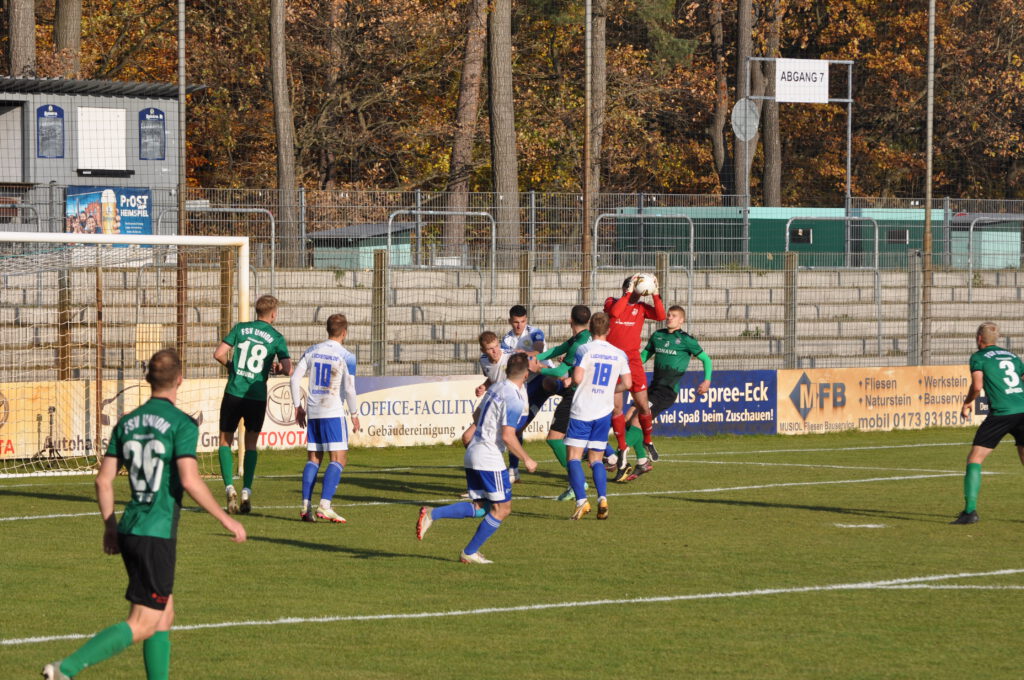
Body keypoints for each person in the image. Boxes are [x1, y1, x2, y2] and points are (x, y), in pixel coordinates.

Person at [42, 349, 246, 680]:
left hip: (131, 527)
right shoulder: (181, 424)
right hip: (156, 532)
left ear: (148, 379)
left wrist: (110, 527)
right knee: (143, 621)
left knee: (164, 613)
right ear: (180, 379)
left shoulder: (127, 422)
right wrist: (226, 518)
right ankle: (65, 669)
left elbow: (103, 480)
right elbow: (190, 479)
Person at [416, 353, 538, 563]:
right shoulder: (514, 397)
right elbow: (509, 436)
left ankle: (431, 514)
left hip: (474, 451)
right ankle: (469, 552)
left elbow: (476, 416)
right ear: (526, 375)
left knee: (481, 508)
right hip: (489, 456)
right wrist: (526, 458)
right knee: (502, 509)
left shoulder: (496, 388)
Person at [213, 294, 291, 514]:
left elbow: (218, 354)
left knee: (225, 441)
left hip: (234, 392)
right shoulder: (276, 337)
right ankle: (246, 489)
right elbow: (287, 368)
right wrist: (276, 368)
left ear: (257, 311)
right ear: (273, 314)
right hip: (256, 395)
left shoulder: (240, 328)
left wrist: (231, 366)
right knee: (250, 445)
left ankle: (229, 486)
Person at [620, 305, 712, 481]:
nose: (669, 318)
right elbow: (644, 355)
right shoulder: (658, 336)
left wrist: (707, 381)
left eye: (674, 316)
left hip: (667, 391)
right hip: (652, 387)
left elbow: (706, 359)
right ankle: (642, 460)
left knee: (637, 419)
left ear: (681, 320)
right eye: (668, 315)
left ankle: (621, 451)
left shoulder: (686, 340)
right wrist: (628, 367)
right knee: (628, 419)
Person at [290, 313, 361, 523]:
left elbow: (294, 379)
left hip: (313, 411)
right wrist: (355, 414)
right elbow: (349, 389)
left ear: (327, 330)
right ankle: (325, 505)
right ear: (345, 332)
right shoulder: (346, 356)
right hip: (333, 411)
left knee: (314, 459)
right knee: (339, 459)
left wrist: (298, 407)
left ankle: (305, 506)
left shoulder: (312, 350)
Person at [953, 322, 1024, 524]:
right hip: (1023, 410)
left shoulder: (979, 357)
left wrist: (967, 403)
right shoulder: (1012, 356)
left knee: (975, 458)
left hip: (1002, 413)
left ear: (978, 339)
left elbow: (977, 385)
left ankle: (969, 512)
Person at [564, 313, 631, 520]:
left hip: (583, 409)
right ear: (609, 330)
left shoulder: (584, 349)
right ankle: (602, 498)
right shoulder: (619, 353)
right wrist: (611, 388)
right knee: (596, 460)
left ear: (590, 329)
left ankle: (582, 501)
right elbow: (628, 384)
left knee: (574, 457)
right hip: (603, 412)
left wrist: (573, 381)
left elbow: (577, 378)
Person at [604, 274, 666, 481]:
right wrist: (628, 291)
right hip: (613, 361)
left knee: (643, 406)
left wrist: (655, 293)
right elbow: (615, 313)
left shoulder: (641, 308)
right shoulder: (612, 302)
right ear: (627, 287)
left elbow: (660, 315)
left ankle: (647, 441)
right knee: (616, 408)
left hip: (633, 363)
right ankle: (622, 450)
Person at [501, 304, 557, 482]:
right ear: (510, 321)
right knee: (517, 426)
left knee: (573, 399)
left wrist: (522, 354)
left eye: (522, 321)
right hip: (527, 385)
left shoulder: (534, 332)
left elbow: (538, 350)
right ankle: (514, 470)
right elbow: (509, 362)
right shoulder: (507, 340)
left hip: (545, 377)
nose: (519, 325)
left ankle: (605, 453)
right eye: (516, 322)